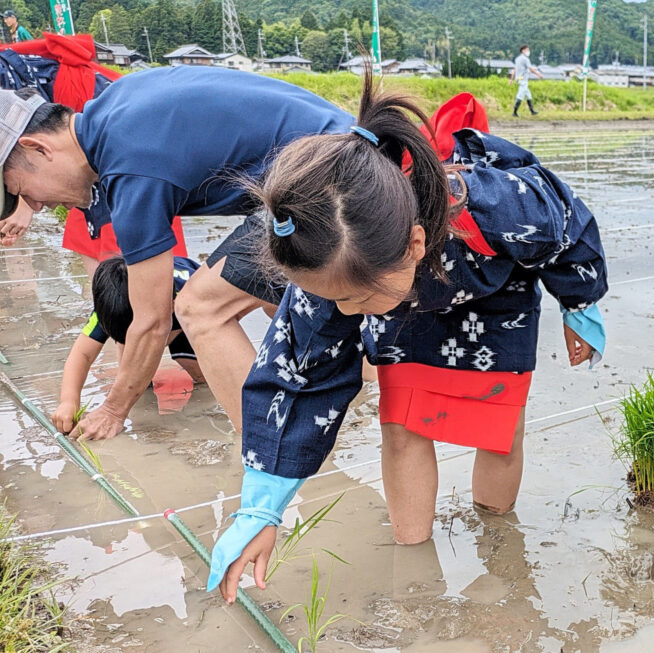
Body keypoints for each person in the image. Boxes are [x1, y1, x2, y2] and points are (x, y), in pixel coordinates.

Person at [207, 72, 608, 603]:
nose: (346, 313)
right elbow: (295, 379)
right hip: (403, 305)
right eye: (336, 300)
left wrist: (580, 302)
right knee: (402, 426)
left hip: (494, 293)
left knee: (499, 429)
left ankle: (497, 539)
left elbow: (563, 225)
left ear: (415, 243)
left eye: (354, 300)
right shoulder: (333, 270)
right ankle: (415, 568)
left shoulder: (497, 206)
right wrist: (262, 506)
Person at [0, 67, 355, 439]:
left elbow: (152, 322)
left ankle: (269, 451)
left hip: (329, 180)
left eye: (23, 189)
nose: (35, 206)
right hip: (346, 153)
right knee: (278, 299)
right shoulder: (113, 108)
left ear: (38, 148)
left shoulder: (128, 168)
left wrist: (113, 409)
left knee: (198, 306)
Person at [50, 256, 205, 435]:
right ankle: (139, 377)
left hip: (186, 316)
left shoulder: (189, 300)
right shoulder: (111, 305)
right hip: (159, 310)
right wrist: (69, 401)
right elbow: (82, 354)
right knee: (131, 375)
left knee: (204, 375)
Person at [511, 44, 542, 117]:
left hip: (519, 79)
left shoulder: (517, 59)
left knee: (528, 95)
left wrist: (511, 79)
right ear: (523, 51)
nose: (528, 51)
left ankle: (532, 111)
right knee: (520, 95)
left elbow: (514, 69)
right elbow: (530, 69)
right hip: (523, 80)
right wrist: (538, 74)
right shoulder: (525, 59)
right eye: (527, 50)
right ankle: (514, 112)